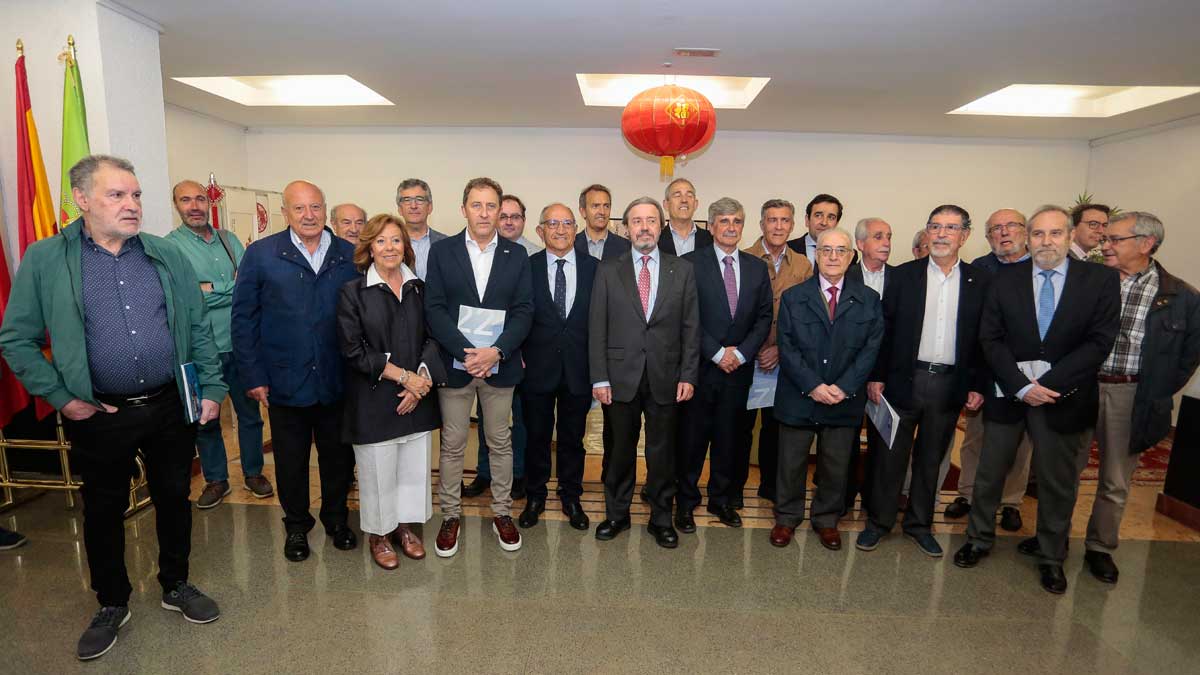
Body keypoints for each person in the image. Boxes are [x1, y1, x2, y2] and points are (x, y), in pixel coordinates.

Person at [0, 155, 224, 660]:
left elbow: (197, 327)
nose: (132, 205)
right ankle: (111, 601)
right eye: (117, 195)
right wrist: (62, 398)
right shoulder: (46, 259)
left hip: (169, 406)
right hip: (100, 416)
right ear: (81, 199)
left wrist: (211, 388)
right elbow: (17, 339)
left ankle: (176, 584)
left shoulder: (165, 254)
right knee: (103, 510)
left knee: (173, 497)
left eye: (137, 195)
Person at [954, 205, 1120, 595]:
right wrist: (1020, 385)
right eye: (1039, 234)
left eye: (1055, 233)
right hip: (1009, 394)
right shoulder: (1003, 279)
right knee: (990, 472)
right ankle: (978, 538)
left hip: (1065, 396)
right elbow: (989, 338)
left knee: (1056, 482)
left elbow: (1100, 340)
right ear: (1029, 238)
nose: (1047, 242)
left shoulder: (1098, 280)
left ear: (1069, 236)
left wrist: (1046, 382)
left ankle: (1050, 556)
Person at [231, 179, 361, 563]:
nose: (309, 215)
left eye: (316, 207)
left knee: (338, 458)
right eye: (299, 208)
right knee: (290, 460)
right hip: (285, 379)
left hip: (337, 379)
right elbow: (243, 319)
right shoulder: (261, 254)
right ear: (285, 212)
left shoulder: (348, 254)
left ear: (326, 210)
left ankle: (337, 520)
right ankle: (296, 526)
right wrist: (252, 375)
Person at [1072, 211, 1199, 584]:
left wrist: (1155, 388)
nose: (1105, 245)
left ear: (1146, 244)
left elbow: (1187, 356)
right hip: (1081, 386)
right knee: (1065, 470)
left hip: (1131, 392)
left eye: (1114, 239)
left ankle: (1100, 548)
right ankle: (1052, 540)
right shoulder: (1090, 281)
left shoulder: (1180, 297)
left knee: (1115, 478)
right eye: (1104, 238)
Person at [859, 205, 988, 557]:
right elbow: (883, 331)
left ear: (964, 236)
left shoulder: (979, 282)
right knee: (890, 457)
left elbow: (983, 339)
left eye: (951, 228)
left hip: (949, 384)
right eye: (935, 227)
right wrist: (877, 376)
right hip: (904, 380)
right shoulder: (903, 276)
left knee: (932, 459)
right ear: (927, 233)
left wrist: (977, 383)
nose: (942, 234)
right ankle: (879, 523)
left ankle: (919, 525)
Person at [425, 177, 534, 557]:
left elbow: (524, 311)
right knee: (453, 444)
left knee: (500, 442)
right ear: (463, 209)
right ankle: (450, 516)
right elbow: (434, 308)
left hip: (499, 367)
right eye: (477, 205)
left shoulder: (516, 255)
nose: (485, 213)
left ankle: (502, 513)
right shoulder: (442, 252)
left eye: (492, 206)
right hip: (456, 366)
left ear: (500, 210)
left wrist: (497, 351)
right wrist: (467, 351)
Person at [337, 214, 446, 569]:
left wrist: (419, 383)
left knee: (413, 471)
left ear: (406, 247)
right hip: (373, 397)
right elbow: (353, 350)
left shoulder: (420, 288)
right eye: (381, 241)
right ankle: (379, 535)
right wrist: (404, 379)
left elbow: (433, 338)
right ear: (368, 247)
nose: (389, 248)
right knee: (377, 472)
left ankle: (404, 528)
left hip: (417, 396)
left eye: (396, 241)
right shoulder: (353, 293)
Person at [590, 197, 699, 549]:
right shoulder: (608, 270)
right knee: (619, 450)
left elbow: (690, 328)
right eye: (637, 221)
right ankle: (616, 515)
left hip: (666, 376)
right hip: (620, 377)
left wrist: (688, 375)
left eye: (651, 220)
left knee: (662, 452)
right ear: (626, 228)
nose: (644, 227)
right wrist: (600, 377)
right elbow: (597, 328)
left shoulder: (681, 270)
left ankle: (661, 518)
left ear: (661, 226)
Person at [770, 228, 882, 551]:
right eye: (826, 250)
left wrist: (843, 387)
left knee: (835, 465)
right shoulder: (793, 297)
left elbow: (870, 350)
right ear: (816, 256)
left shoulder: (869, 301)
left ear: (850, 256)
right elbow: (787, 348)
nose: (833, 257)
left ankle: (826, 520)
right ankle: (787, 517)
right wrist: (814, 385)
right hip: (799, 396)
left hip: (843, 399)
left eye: (840, 251)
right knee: (790, 463)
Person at [165, 180, 272, 509]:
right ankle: (216, 480)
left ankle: (253, 472)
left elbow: (249, 287)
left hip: (240, 346)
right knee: (206, 419)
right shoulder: (171, 247)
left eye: (199, 198)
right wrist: (226, 288)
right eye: (186, 200)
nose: (194, 205)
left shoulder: (230, 240)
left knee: (250, 415)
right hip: (200, 351)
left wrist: (211, 289)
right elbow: (185, 299)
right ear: (176, 205)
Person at [677, 198, 772, 530]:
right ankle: (685, 503)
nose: (731, 227)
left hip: (740, 371)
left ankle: (721, 501)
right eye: (724, 221)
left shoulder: (757, 267)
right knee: (691, 441)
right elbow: (685, 317)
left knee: (729, 440)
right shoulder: (689, 264)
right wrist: (717, 353)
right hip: (701, 369)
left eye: (737, 221)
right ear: (712, 226)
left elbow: (764, 317)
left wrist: (742, 353)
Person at [945, 208, 1034, 531]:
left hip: (1026, 371)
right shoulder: (979, 270)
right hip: (984, 368)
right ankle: (967, 494)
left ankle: (1010, 501)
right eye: (996, 228)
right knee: (975, 437)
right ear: (985, 237)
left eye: (1011, 226)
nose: (1004, 233)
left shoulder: (1041, 269)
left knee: (1021, 441)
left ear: (1025, 232)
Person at [518, 203, 597, 530]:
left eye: (567, 223)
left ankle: (571, 496)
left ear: (575, 229)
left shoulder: (596, 268)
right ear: (540, 231)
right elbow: (516, 313)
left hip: (579, 368)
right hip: (535, 367)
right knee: (535, 437)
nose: (561, 229)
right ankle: (535, 496)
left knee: (572, 438)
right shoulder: (526, 267)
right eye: (553, 223)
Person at [739, 199, 813, 504]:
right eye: (772, 220)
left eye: (785, 220)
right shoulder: (743, 258)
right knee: (740, 428)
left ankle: (770, 488)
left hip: (785, 362)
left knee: (776, 429)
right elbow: (737, 314)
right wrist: (753, 349)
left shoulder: (804, 265)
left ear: (792, 226)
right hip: (746, 358)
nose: (778, 226)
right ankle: (734, 489)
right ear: (762, 225)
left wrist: (780, 350)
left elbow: (808, 318)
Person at [463, 194, 535, 500]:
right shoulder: (475, 253)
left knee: (517, 418)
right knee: (485, 419)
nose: (507, 221)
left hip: (518, 354)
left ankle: (517, 474)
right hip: (481, 353)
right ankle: (484, 472)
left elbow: (529, 310)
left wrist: (509, 349)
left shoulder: (529, 255)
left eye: (514, 216)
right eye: (502, 215)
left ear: (523, 220)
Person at [843, 217, 895, 513]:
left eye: (888, 236)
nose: (886, 242)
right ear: (860, 244)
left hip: (887, 375)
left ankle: (876, 502)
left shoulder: (903, 278)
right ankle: (844, 497)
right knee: (845, 442)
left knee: (883, 442)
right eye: (878, 236)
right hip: (847, 374)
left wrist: (880, 374)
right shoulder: (843, 275)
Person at [786, 194, 858, 266]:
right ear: (807, 220)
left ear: (836, 223)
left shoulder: (847, 254)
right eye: (818, 215)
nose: (824, 223)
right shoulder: (787, 249)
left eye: (831, 217)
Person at [396, 178, 447, 279]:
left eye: (419, 199)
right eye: (407, 200)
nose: (413, 206)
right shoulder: (390, 246)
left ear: (430, 207)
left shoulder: (447, 244)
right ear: (399, 209)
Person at [657, 178, 712, 256]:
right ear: (666, 205)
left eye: (689, 195)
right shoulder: (655, 239)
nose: (684, 200)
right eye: (677, 195)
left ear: (695, 204)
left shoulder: (711, 239)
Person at [574, 183, 628, 260]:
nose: (602, 212)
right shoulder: (571, 245)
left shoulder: (626, 247)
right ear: (583, 211)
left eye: (606, 206)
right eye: (595, 206)